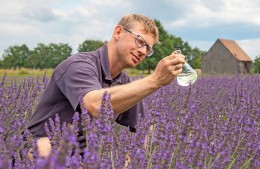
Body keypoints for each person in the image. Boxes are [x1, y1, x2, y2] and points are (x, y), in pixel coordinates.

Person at [27, 14, 185, 158]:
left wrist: (136, 159)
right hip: (35, 153)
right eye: (140, 41)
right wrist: (155, 80)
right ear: (118, 33)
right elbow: (95, 105)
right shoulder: (79, 65)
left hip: (80, 159)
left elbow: (144, 129)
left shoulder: (125, 82)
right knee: (44, 147)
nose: (143, 51)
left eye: (148, 49)